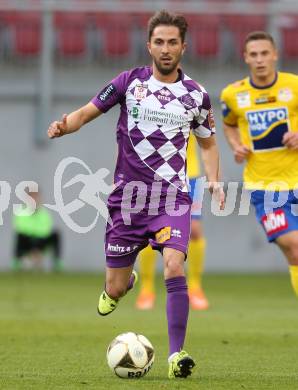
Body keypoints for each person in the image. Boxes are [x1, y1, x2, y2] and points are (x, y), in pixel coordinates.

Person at [48, 10, 224, 379]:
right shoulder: (128, 83)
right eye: (159, 42)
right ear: (149, 46)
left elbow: (208, 144)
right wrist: (66, 126)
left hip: (171, 197)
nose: (165, 49)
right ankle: (120, 287)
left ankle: (178, 354)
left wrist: (215, 180)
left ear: (183, 47)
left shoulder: (196, 95)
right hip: (127, 202)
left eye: (172, 42)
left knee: (175, 264)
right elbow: (88, 111)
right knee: (114, 284)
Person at [220, 31, 298, 297]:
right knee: (294, 245)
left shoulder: (294, 86)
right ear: (245, 58)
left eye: (265, 53)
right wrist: (235, 145)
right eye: (254, 55)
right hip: (265, 189)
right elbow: (229, 125)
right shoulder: (233, 95)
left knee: (294, 254)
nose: (260, 60)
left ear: (275, 54)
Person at [136, 132, 209, 310]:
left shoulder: (194, 103)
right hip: (155, 174)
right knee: (149, 232)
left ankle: (195, 287)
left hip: (190, 174)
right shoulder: (146, 104)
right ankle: (146, 289)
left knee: (195, 231)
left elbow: (209, 141)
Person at [12, 190, 63, 272]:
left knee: (56, 234)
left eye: (36, 198)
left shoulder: (44, 213)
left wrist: (36, 238)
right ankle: (17, 262)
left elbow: (46, 230)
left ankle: (57, 262)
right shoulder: (21, 212)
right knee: (20, 236)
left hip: (40, 242)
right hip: (27, 242)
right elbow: (20, 228)